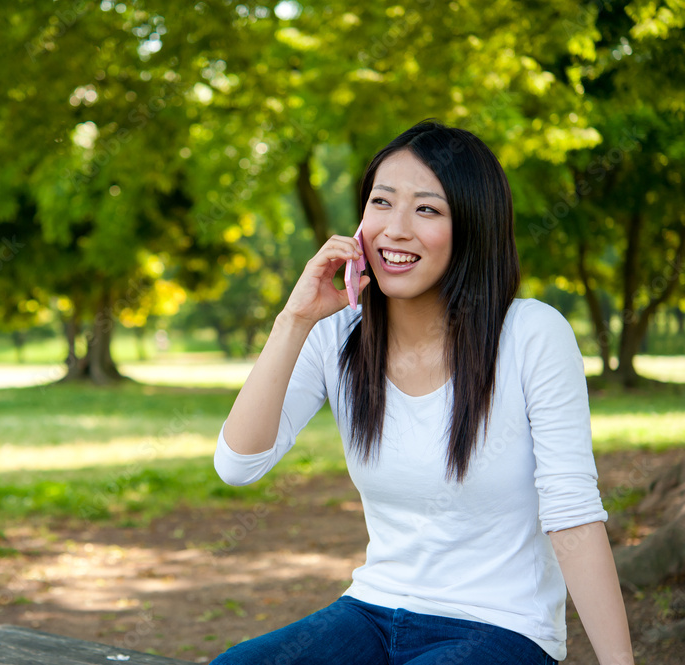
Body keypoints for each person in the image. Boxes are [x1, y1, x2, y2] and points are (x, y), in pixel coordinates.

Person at [210, 120, 634, 665]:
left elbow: (572, 513)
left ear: (472, 227)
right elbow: (237, 466)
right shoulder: (337, 331)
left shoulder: (531, 334)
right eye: (381, 203)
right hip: (370, 612)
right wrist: (294, 320)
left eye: (427, 209)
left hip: (500, 630)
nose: (396, 229)